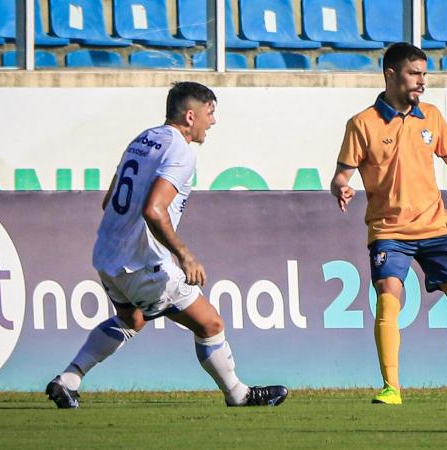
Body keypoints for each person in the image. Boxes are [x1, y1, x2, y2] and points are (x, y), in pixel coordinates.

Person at [46, 81, 287, 409]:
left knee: (132, 321)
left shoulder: (143, 140)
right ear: (191, 116)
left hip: (107, 254)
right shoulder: (181, 151)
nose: (212, 122)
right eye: (209, 113)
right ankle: (238, 394)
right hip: (143, 263)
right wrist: (185, 255)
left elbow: (109, 201)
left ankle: (68, 379)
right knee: (210, 323)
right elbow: (154, 211)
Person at [330, 43, 447, 405]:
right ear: (390, 75)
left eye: (424, 74)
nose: (422, 81)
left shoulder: (433, 118)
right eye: (414, 73)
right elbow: (341, 175)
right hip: (389, 231)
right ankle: (392, 388)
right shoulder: (362, 124)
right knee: (389, 298)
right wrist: (342, 187)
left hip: (437, 227)